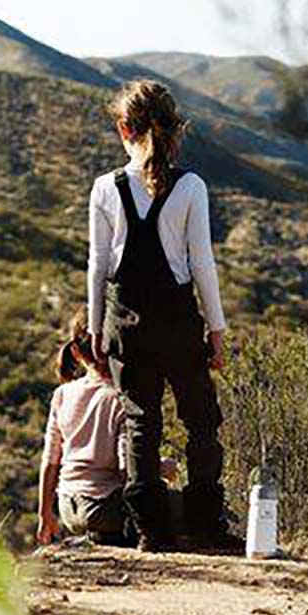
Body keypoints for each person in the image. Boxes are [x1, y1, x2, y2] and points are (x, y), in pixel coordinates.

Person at [87, 79, 237, 552]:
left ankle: (150, 530)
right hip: (178, 323)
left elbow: (98, 264)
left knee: (140, 423)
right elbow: (202, 264)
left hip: (126, 323)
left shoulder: (105, 188)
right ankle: (205, 524)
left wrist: (94, 328)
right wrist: (217, 329)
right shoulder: (191, 186)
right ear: (174, 132)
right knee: (200, 421)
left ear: (122, 128)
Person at [36, 308, 131, 546]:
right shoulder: (121, 398)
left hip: (68, 508)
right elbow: (126, 469)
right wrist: (161, 468)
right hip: (106, 507)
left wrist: (45, 516)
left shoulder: (62, 394)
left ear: (76, 352)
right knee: (182, 504)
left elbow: (50, 462)